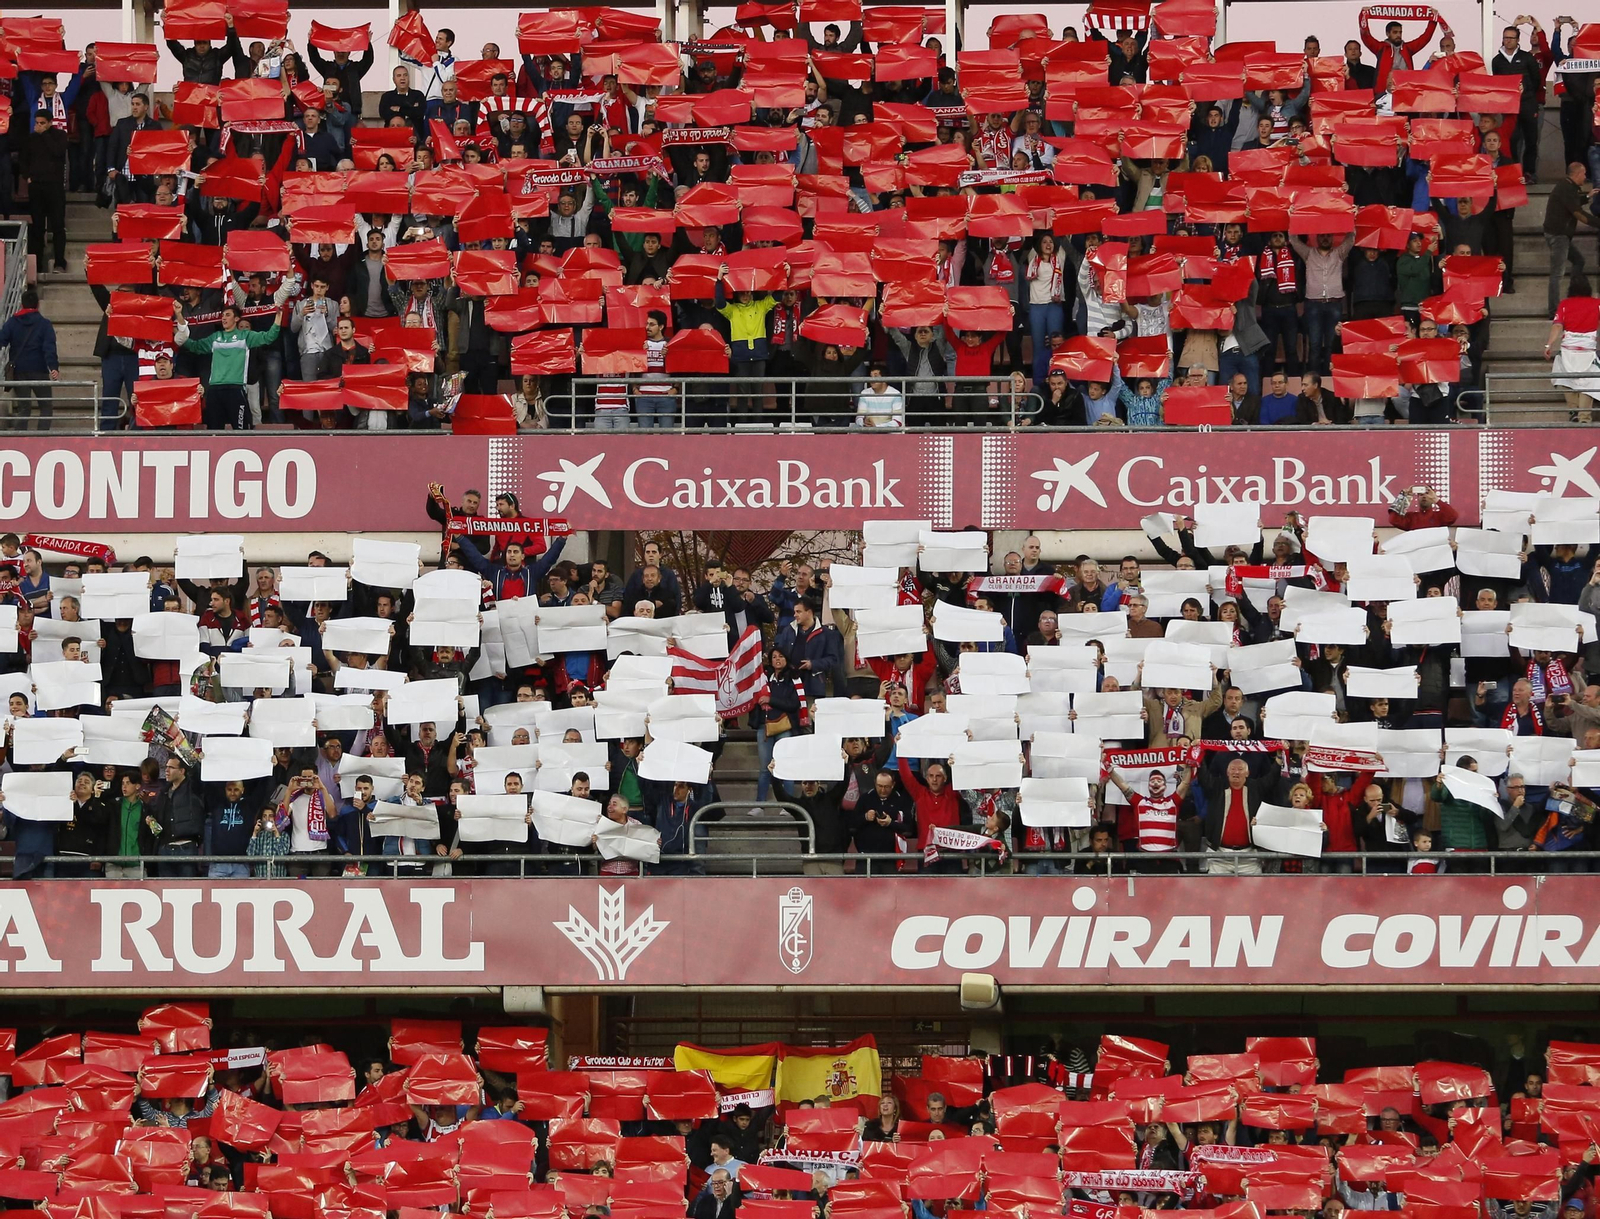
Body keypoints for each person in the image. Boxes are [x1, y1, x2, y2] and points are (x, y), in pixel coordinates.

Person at [175, 291, 291, 430]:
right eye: (223, 315)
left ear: (236, 319)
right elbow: (195, 346)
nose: (224, 318)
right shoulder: (215, 337)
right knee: (213, 432)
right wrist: (179, 323)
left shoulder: (245, 336)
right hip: (215, 390)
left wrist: (278, 317)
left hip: (235, 390)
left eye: (228, 315)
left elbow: (269, 337)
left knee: (242, 432)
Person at [0, 289, 59, 429]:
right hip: (39, 370)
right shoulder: (44, 324)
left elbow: (1, 340)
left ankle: (20, 437)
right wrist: (53, 367)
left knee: (24, 408)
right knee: (46, 407)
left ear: (22, 304)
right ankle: (41, 436)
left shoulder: (12, 322)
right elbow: (49, 348)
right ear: (38, 305)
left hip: (19, 371)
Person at [1544, 163, 1597, 318]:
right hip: (1559, 235)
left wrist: (1587, 197)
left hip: (1559, 234)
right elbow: (1578, 214)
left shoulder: (1567, 186)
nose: (1585, 177)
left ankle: (1574, 293)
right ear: (1577, 174)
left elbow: (1572, 202)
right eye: (1584, 174)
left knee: (1579, 261)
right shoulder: (1566, 188)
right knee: (1557, 274)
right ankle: (1554, 311)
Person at [1548, 274, 1600, 422]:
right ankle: (1584, 417)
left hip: (1568, 350)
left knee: (1565, 376)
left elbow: (1557, 326)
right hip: (1588, 349)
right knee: (1589, 381)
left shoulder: (1565, 304)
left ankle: (1574, 410)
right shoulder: (1597, 304)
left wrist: (1549, 344)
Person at [22, 112, 68, 271]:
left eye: (42, 123)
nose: (38, 126)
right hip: (36, 186)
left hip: (54, 186)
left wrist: (45, 135)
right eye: (37, 123)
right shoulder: (31, 139)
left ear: (50, 123)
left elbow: (58, 152)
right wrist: (27, 176)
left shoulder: (60, 136)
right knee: (37, 228)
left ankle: (60, 262)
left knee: (58, 226)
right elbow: (23, 159)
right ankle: (38, 265)